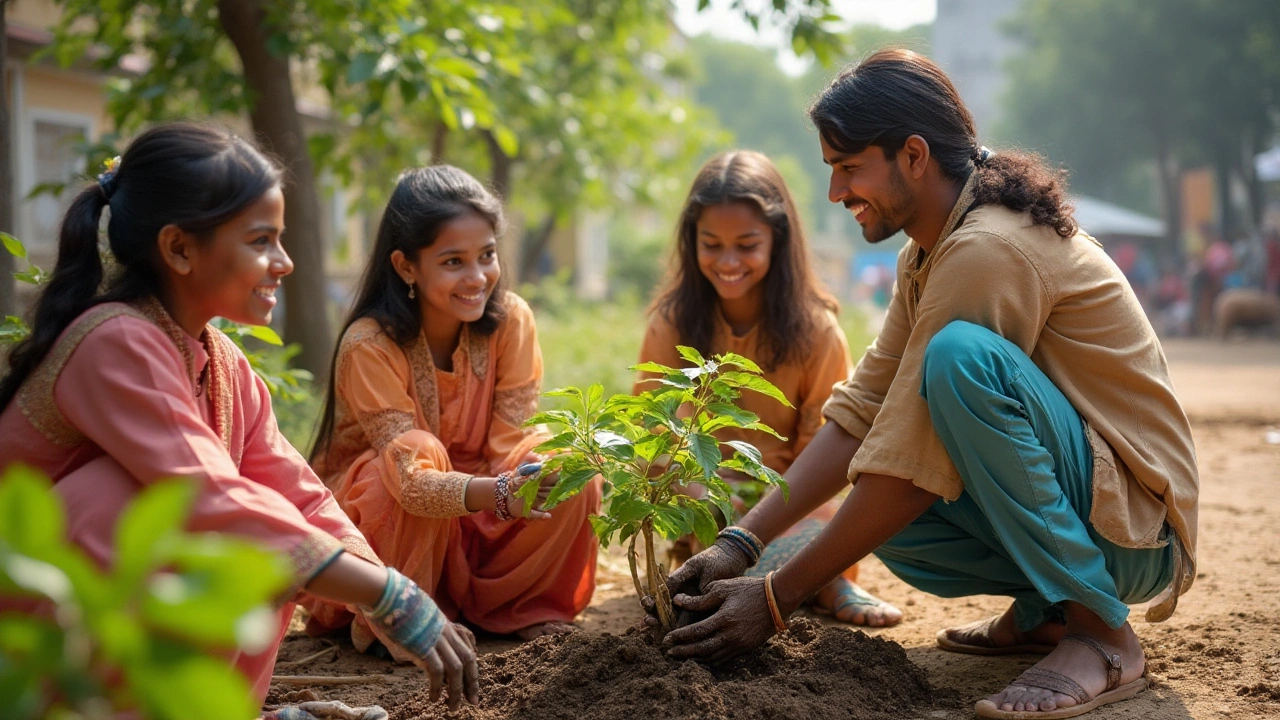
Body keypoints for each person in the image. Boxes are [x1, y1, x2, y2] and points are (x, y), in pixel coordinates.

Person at [656, 49, 1197, 720]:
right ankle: (1050, 611)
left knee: (959, 362)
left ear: (913, 155)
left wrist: (775, 599)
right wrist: (739, 542)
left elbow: (911, 464)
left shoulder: (987, 247)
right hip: (1097, 511)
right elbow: (864, 413)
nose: (835, 193)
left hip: (1139, 533)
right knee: (879, 501)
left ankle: (1102, 634)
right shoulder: (933, 245)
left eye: (848, 168)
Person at [0, 123, 478, 712]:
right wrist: (385, 594)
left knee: (279, 530)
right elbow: (209, 496)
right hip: (26, 631)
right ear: (178, 249)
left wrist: (391, 597)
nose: (285, 262)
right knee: (126, 501)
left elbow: (300, 496)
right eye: (260, 241)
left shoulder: (223, 363)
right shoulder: (114, 341)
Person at [303, 166, 601, 647]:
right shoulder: (369, 345)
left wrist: (532, 479)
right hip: (394, 524)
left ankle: (515, 607)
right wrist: (500, 492)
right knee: (407, 461)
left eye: (487, 255)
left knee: (564, 460)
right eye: (453, 262)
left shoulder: (512, 321)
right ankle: (405, 620)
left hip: (485, 509)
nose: (477, 277)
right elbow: (412, 483)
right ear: (405, 267)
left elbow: (511, 442)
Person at [636, 150, 901, 627]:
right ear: (691, 241)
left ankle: (824, 579)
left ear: (777, 241)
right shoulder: (671, 324)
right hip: (704, 499)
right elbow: (651, 432)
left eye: (746, 244)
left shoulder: (817, 331)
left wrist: (764, 507)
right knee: (715, 530)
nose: (728, 261)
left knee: (821, 526)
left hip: (791, 498)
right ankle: (809, 585)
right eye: (711, 244)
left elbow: (826, 446)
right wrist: (702, 490)